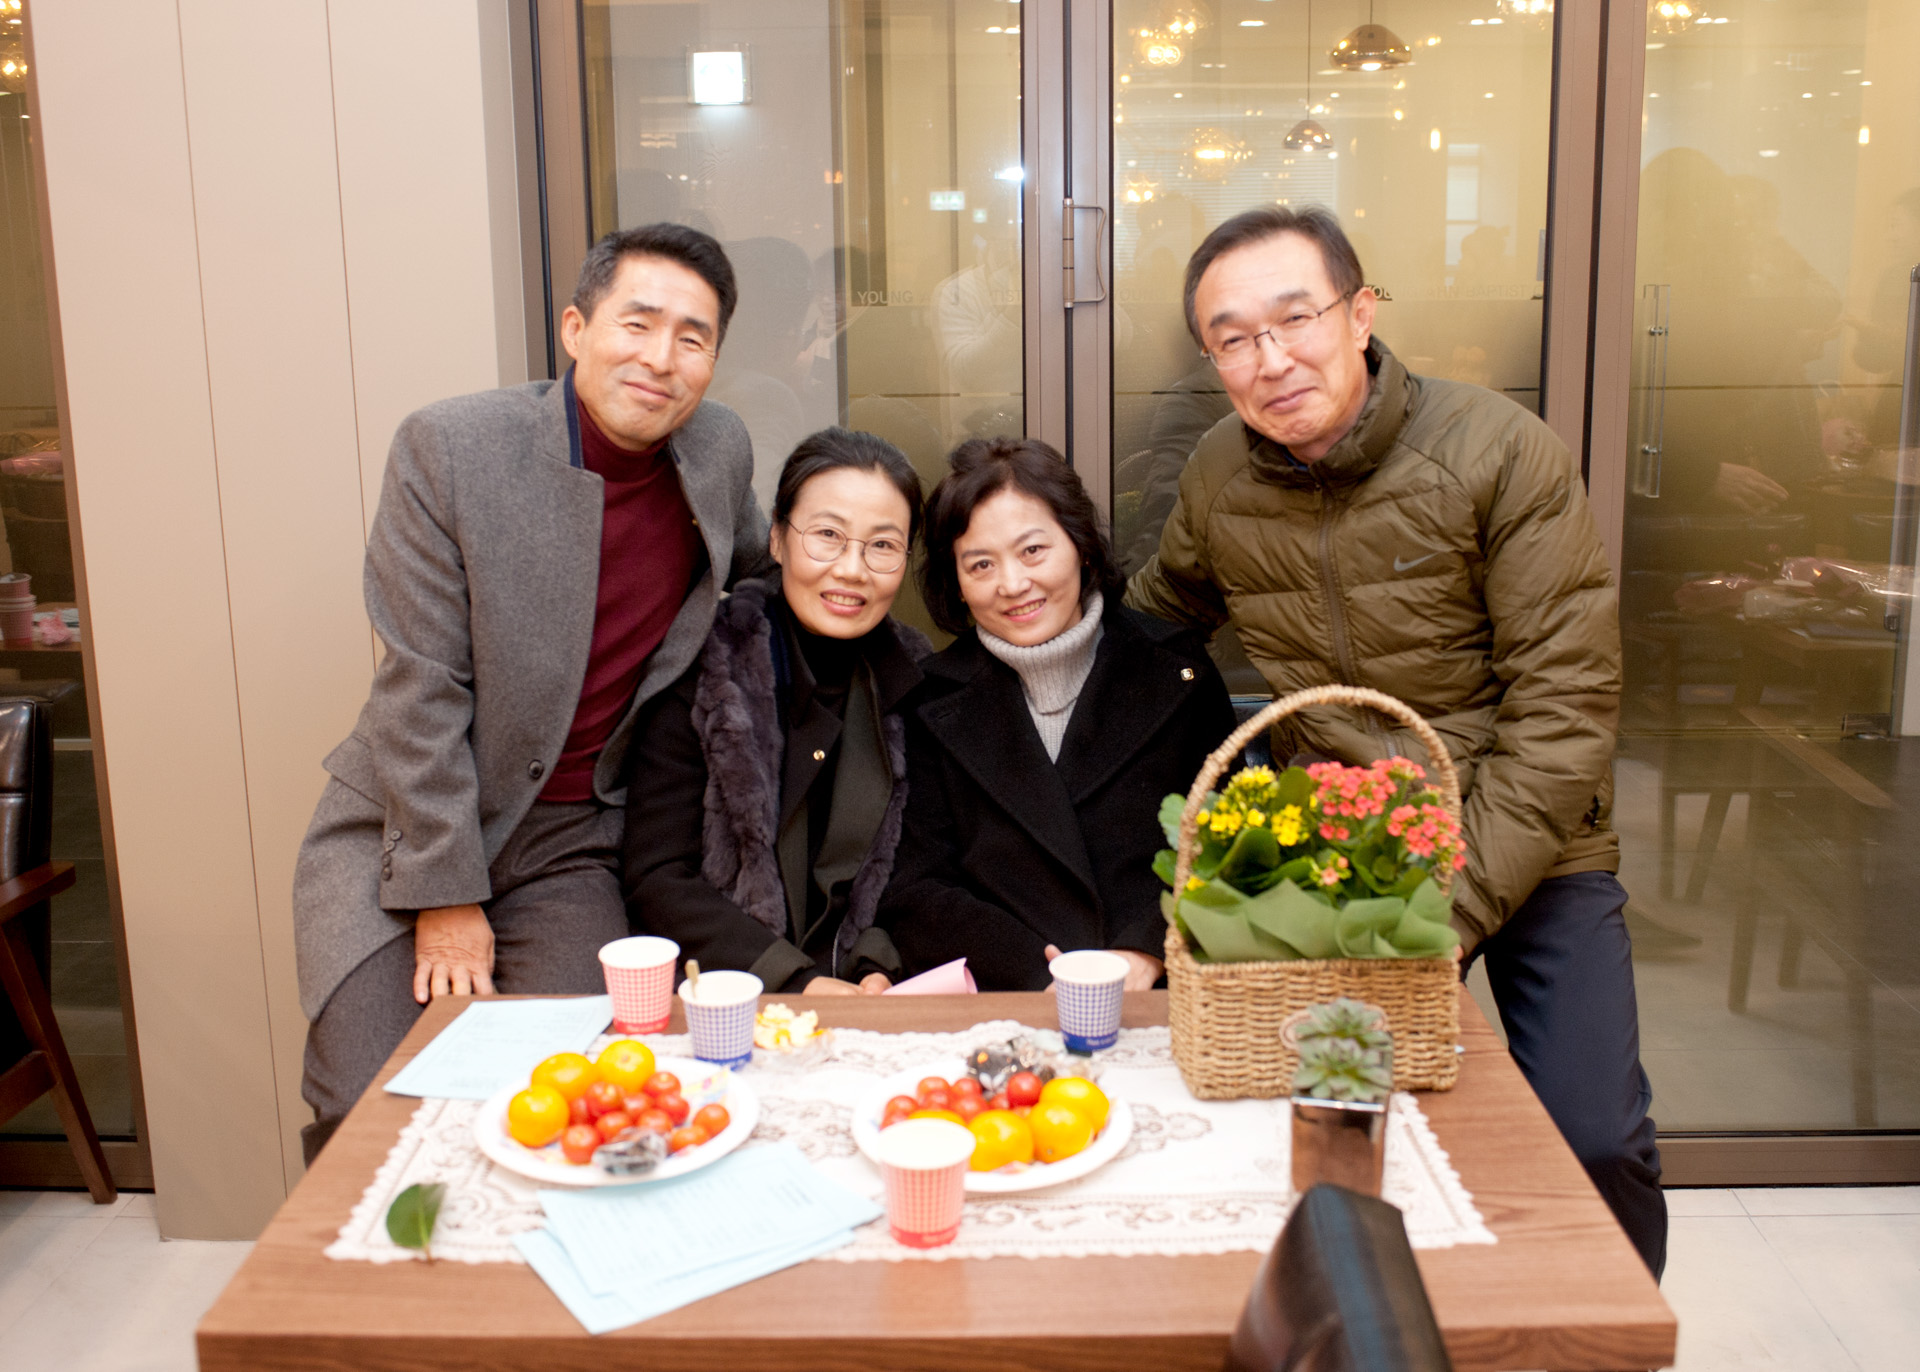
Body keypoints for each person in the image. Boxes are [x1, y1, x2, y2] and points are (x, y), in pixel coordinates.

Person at [1126, 205, 1667, 1277]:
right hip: (1346, 842)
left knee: (1594, 1136)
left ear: (1360, 312)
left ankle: (1607, 1333)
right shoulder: (1218, 476)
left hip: (1532, 834)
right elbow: (1154, 625)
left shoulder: (1498, 449)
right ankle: (1360, 1312)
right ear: (1212, 362)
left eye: (1296, 318)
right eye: (1234, 339)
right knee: (1317, 1119)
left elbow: (1565, 706)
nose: (1271, 359)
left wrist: (1448, 912)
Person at [291, 223, 768, 1161]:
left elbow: (751, 578)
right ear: (575, 328)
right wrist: (445, 893)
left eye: (694, 338)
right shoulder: (450, 448)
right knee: (371, 1106)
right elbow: (420, 684)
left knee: (578, 1083)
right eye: (638, 323)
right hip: (403, 822)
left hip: (572, 842)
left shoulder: (717, 450)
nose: (661, 358)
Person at [880, 437, 1236, 992]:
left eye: (1033, 551)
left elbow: (1232, 846)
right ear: (957, 583)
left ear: (1082, 546)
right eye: (980, 564)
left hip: (1164, 999)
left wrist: (1149, 947)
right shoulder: (927, 701)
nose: (1012, 584)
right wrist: (1033, 968)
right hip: (1005, 1002)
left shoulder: (1179, 673)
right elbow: (912, 887)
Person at [621, 428, 930, 992]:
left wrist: (877, 964)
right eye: (827, 535)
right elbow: (658, 875)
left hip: (871, 995)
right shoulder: (706, 666)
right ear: (777, 539)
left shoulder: (915, 679)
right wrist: (793, 979)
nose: (853, 569)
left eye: (883, 546)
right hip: (734, 991)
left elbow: (924, 863)